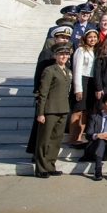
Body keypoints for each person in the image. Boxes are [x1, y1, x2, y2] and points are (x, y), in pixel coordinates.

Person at [34, 44, 72, 178]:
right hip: (50, 110)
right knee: (44, 140)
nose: (64, 56)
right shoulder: (49, 70)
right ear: (55, 56)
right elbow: (43, 93)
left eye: (66, 54)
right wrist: (40, 113)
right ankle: (40, 168)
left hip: (63, 109)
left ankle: (50, 165)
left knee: (56, 140)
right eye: (61, 54)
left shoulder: (67, 71)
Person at [70, 28, 99, 144]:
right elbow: (77, 70)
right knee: (78, 110)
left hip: (92, 82)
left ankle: (80, 136)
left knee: (85, 111)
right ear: (85, 38)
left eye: (94, 37)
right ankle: (73, 138)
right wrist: (78, 89)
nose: (92, 39)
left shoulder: (95, 50)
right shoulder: (81, 50)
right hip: (82, 80)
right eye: (90, 37)